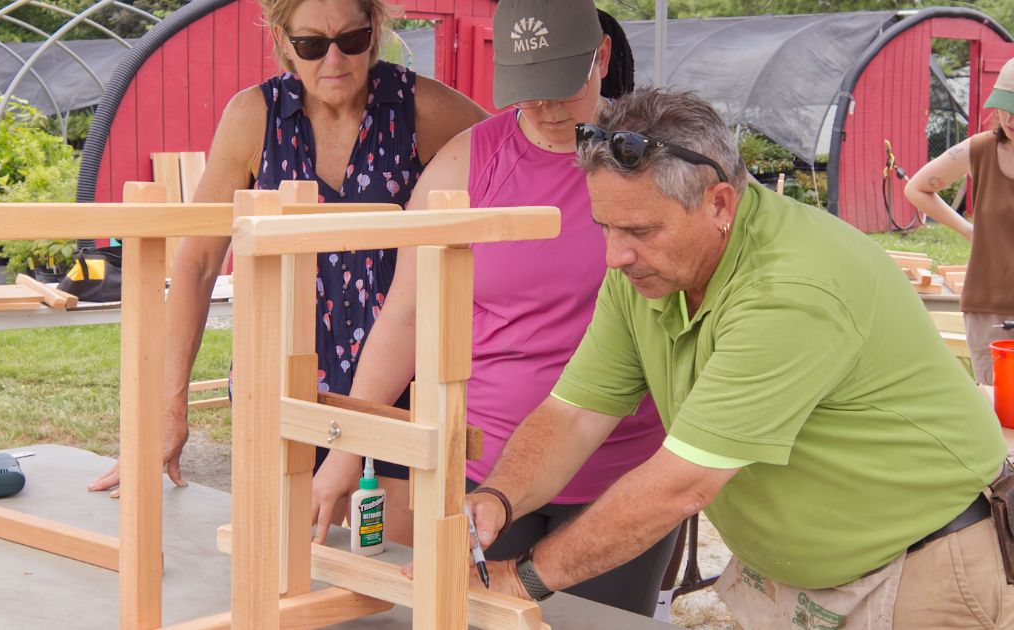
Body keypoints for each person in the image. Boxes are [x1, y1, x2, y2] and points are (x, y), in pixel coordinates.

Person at [465, 88, 1013, 628]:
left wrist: (525, 578)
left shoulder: (792, 286)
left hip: (926, 565)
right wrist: (499, 497)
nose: (615, 256)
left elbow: (683, 484)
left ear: (719, 203)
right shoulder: (648, 270)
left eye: (639, 230)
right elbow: (577, 412)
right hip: (806, 577)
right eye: (604, 226)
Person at [310, 0, 674, 615]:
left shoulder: (659, 159)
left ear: (602, 57)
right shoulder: (465, 164)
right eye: (530, 94)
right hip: (486, 463)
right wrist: (346, 451)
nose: (549, 110)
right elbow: (406, 317)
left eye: (564, 87)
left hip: (623, 467)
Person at [88, 0, 487, 495]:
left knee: (386, 554)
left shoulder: (423, 108)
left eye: (352, 40)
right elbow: (196, 264)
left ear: (375, 29)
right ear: (283, 42)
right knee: (282, 555)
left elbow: (514, 165)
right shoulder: (254, 117)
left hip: (398, 385)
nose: (334, 61)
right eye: (312, 45)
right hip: (277, 381)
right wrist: (168, 410)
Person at [906, 56, 1014, 386]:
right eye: (1004, 105)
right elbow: (917, 188)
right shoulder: (980, 150)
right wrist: (967, 230)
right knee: (1000, 410)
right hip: (989, 306)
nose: (1009, 117)